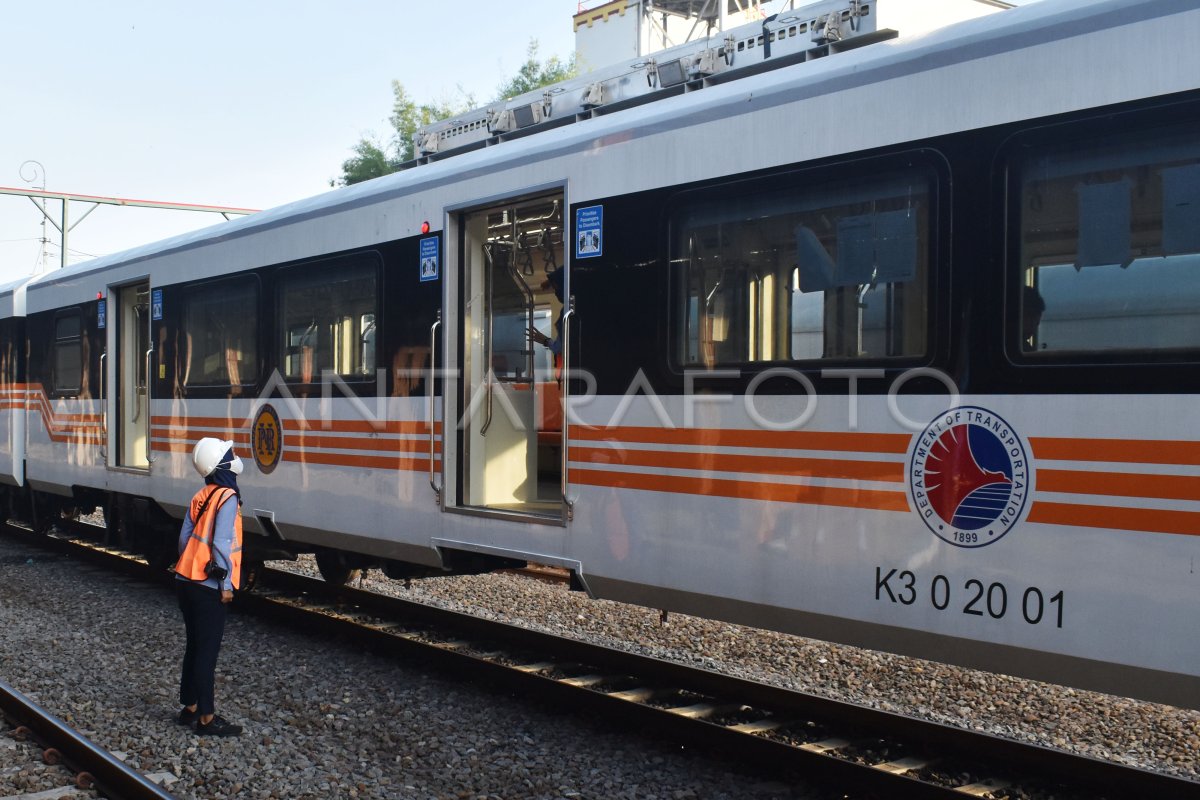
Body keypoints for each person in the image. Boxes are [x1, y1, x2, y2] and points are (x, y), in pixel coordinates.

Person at [174, 437, 245, 737]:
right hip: (208, 585)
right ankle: (206, 718)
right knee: (207, 652)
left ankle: (189, 707)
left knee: (194, 645)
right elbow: (221, 544)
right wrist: (225, 584)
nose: (234, 457)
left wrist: (190, 566)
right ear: (221, 465)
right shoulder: (227, 497)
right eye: (229, 454)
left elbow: (183, 540)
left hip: (185, 580)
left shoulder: (201, 495)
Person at [527, 266, 565, 358]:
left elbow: (559, 348)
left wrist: (545, 340)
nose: (556, 293)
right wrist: (551, 281)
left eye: (556, 289)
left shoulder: (569, 311)